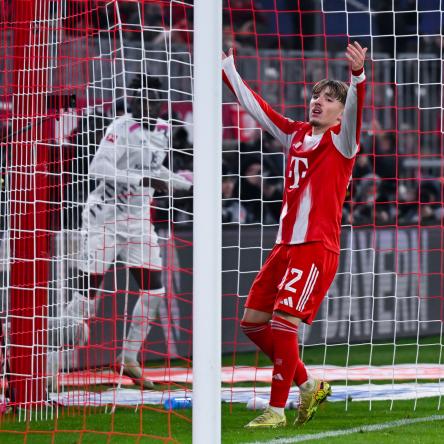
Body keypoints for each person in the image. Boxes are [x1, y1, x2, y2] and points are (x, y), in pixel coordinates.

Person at [222, 41, 367, 428]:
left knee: (284, 323)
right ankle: (309, 383)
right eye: (316, 95)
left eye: (329, 98)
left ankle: (275, 410)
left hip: (315, 247)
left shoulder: (342, 140)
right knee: (253, 322)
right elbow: (259, 109)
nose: (318, 101)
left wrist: (357, 77)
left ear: (341, 110)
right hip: (283, 246)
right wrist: (226, 68)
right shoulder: (297, 134)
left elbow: (356, 107)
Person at [58, 75, 192, 390]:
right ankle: (49, 363)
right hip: (104, 218)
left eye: (152, 99)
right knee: (85, 297)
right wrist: (142, 181)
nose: (145, 103)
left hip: (138, 222)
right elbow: (98, 169)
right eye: (139, 97)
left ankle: (128, 358)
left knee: (154, 292)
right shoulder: (120, 127)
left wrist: (188, 184)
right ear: (131, 99)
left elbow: (156, 171)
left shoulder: (163, 131)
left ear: (160, 102)